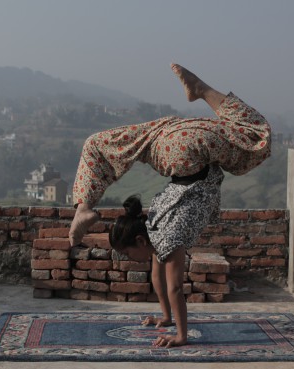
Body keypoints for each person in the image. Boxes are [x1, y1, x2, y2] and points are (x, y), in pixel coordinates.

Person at [69, 63, 272, 347]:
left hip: (185, 150)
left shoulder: (165, 236)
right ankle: (83, 207)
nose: (130, 260)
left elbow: (175, 287)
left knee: (258, 137)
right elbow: (157, 278)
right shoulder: (152, 224)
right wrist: (165, 317)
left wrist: (180, 335)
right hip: (170, 136)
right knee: (95, 144)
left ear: (140, 241)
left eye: (128, 253)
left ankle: (201, 89)